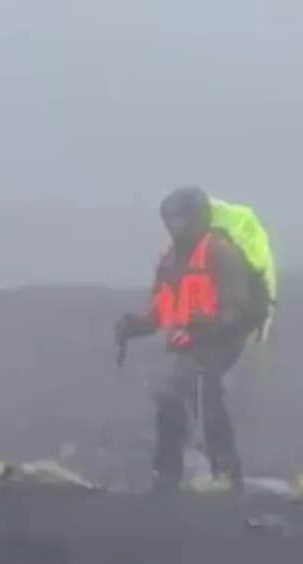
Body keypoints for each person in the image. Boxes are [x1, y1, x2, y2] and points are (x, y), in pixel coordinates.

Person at [114, 187, 266, 492]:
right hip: (192, 341)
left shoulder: (219, 250)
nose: (173, 227)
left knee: (196, 394)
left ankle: (217, 473)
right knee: (177, 396)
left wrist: (212, 323)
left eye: (179, 219)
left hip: (222, 339)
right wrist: (134, 325)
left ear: (196, 217)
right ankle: (177, 474)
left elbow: (236, 305)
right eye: (169, 220)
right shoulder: (171, 261)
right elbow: (159, 311)